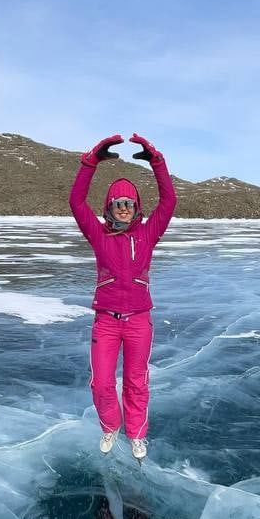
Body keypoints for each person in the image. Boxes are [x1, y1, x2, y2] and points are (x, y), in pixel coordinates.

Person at [69, 132, 177, 460]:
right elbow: (76, 202)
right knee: (101, 383)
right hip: (106, 321)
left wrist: (157, 162)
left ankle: (137, 434)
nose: (125, 209)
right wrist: (91, 162)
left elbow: (169, 202)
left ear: (136, 206)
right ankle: (110, 426)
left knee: (136, 382)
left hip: (139, 321)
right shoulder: (98, 235)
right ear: (110, 207)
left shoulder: (147, 233)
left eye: (129, 203)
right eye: (119, 203)